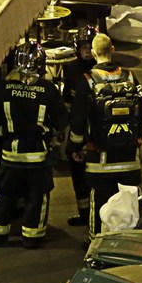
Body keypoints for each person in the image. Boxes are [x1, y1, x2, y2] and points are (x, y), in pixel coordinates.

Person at [0, 41, 68, 248]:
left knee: (3, 193)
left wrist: (5, 136)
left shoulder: (4, 86)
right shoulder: (48, 89)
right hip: (38, 155)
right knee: (36, 195)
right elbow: (61, 120)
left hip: (11, 153)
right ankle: (32, 237)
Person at [68, 33, 142, 241]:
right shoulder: (131, 77)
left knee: (100, 200)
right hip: (129, 157)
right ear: (112, 49)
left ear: (94, 53)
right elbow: (141, 111)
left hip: (99, 158)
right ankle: (131, 241)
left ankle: (97, 242)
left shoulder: (87, 81)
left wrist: (75, 147)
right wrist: (138, 140)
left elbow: (78, 120)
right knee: (131, 200)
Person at [62, 26, 98, 226]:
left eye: (89, 47)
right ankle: (84, 213)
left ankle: (96, 215)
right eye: (83, 47)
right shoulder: (70, 69)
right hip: (76, 128)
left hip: (94, 129)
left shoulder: (101, 70)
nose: (86, 51)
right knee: (78, 177)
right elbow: (67, 101)